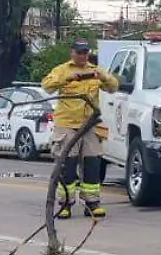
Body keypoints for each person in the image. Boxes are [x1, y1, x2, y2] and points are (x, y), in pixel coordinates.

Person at [41, 39, 119, 219]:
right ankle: (66, 204)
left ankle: (92, 203)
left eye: (85, 52)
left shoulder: (95, 70)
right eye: (80, 52)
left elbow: (114, 87)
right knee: (67, 166)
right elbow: (47, 86)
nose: (83, 56)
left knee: (92, 164)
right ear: (72, 52)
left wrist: (103, 77)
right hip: (67, 124)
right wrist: (67, 79)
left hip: (90, 125)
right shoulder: (62, 70)